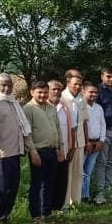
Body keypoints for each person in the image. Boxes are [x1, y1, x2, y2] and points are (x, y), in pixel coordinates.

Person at [0, 73, 31, 224]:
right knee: (0, 185)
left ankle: (5, 215)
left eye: (9, 85)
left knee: (12, 185)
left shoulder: (13, 101)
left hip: (15, 150)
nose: (6, 88)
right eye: (3, 85)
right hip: (2, 151)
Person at [23, 81, 61, 223]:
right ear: (32, 92)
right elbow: (27, 133)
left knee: (49, 183)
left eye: (45, 92)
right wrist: (32, 151)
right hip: (38, 151)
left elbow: (57, 128)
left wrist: (60, 147)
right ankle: (36, 214)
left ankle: (46, 212)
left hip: (52, 150)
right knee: (37, 183)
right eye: (39, 92)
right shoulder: (28, 109)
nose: (43, 95)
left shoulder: (51, 108)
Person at [62, 73, 90, 209]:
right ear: (68, 84)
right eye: (75, 84)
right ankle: (65, 203)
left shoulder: (81, 99)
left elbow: (84, 121)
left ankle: (76, 201)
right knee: (67, 173)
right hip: (67, 141)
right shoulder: (62, 97)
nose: (78, 87)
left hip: (80, 140)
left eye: (80, 84)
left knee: (78, 172)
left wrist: (87, 140)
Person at [95, 67, 112, 204]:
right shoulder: (97, 91)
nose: (111, 79)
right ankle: (100, 193)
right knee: (102, 162)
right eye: (108, 76)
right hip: (104, 131)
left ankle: (109, 190)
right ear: (102, 76)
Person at [49, 80, 75, 211]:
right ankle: (47, 208)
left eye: (59, 89)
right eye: (54, 89)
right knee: (49, 179)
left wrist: (72, 147)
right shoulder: (43, 107)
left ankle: (59, 207)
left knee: (61, 179)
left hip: (64, 150)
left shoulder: (65, 108)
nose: (56, 92)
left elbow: (72, 129)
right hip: (48, 151)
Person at [82, 83, 106, 203]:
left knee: (88, 172)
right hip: (85, 144)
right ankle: (79, 197)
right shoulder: (81, 107)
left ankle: (86, 196)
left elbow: (103, 124)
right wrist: (86, 142)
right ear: (84, 92)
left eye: (96, 92)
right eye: (91, 92)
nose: (94, 94)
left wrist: (101, 140)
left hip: (96, 144)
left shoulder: (98, 108)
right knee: (80, 172)